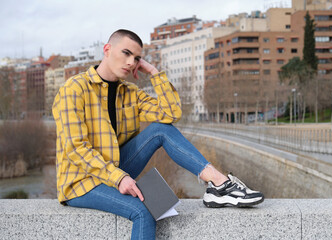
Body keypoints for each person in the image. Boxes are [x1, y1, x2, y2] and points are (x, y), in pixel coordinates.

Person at [52, 29, 264, 240]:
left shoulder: (129, 93)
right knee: (143, 212)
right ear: (107, 50)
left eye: (136, 58)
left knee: (160, 130)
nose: (131, 62)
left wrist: (154, 73)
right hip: (81, 180)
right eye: (126, 53)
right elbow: (76, 148)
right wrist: (119, 178)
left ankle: (219, 184)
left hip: (114, 170)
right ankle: (222, 186)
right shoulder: (74, 89)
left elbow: (171, 114)